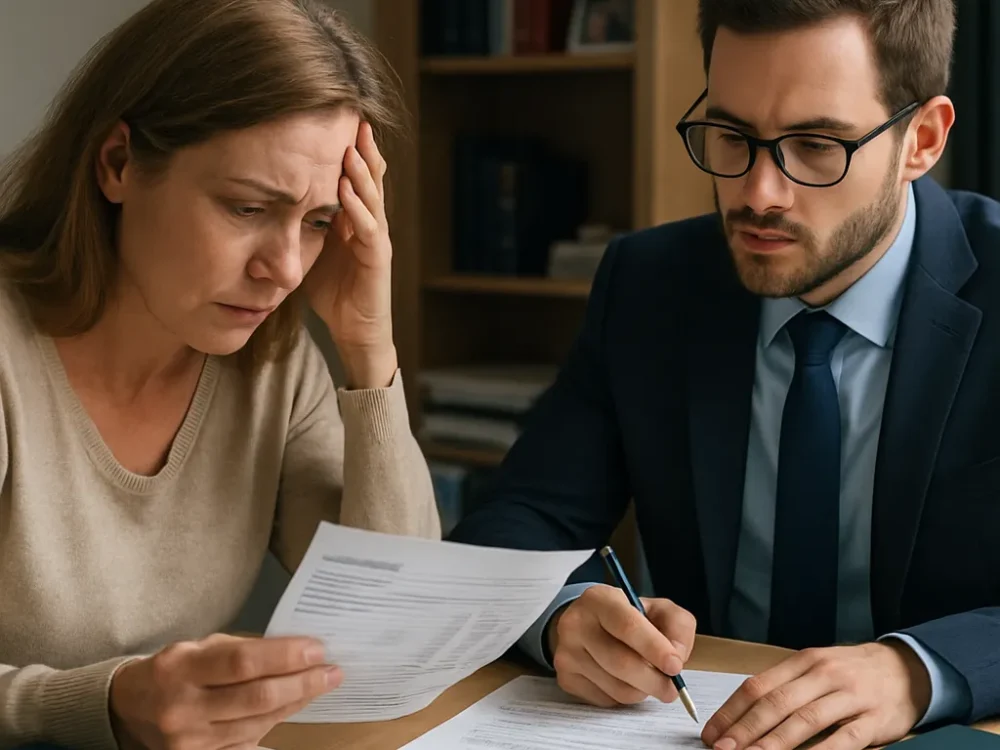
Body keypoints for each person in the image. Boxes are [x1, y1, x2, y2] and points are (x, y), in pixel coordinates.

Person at [448, 1, 1000, 748]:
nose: (759, 194)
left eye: (814, 146)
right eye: (731, 135)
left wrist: (915, 671)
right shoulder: (649, 285)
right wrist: (565, 614)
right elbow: (517, 520)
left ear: (922, 140)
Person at [0, 1, 441, 748]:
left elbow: (395, 619)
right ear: (118, 164)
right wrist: (105, 705)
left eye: (318, 222)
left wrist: (369, 348)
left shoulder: (273, 364)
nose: (285, 270)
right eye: (246, 207)